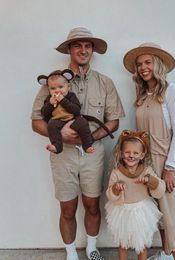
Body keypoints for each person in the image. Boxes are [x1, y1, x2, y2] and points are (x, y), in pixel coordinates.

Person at [31, 27, 125, 260]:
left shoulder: (105, 83)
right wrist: (60, 135)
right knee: (67, 208)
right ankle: (71, 253)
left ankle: (92, 249)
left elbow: (113, 121)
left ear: (92, 50)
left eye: (87, 46)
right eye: (77, 45)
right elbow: (36, 122)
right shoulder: (52, 82)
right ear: (70, 50)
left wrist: (90, 138)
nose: (83, 50)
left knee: (93, 204)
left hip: (93, 153)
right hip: (62, 155)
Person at [123, 43, 175, 260]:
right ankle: (166, 255)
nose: (142, 67)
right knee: (157, 215)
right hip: (145, 164)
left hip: (165, 162)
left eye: (147, 62)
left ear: (157, 64)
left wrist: (169, 168)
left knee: (170, 218)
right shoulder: (141, 95)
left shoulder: (171, 91)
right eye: (139, 64)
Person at [105, 130, 166, 260]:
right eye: (127, 152)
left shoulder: (146, 171)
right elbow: (110, 195)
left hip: (142, 211)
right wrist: (116, 189)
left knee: (141, 245)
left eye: (135, 153)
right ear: (121, 154)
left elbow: (160, 190)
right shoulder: (117, 173)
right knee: (123, 245)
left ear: (142, 155)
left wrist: (151, 181)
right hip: (122, 212)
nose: (131, 156)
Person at [39, 69, 95, 154]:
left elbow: (76, 110)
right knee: (51, 124)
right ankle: (56, 146)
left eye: (61, 87)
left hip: (72, 119)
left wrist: (63, 100)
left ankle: (87, 145)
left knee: (82, 122)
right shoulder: (49, 99)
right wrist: (50, 104)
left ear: (68, 87)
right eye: (53, 88)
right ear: (48, 90)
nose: (57, 90)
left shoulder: (71, 96)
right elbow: (44, 113)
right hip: (58, 120)